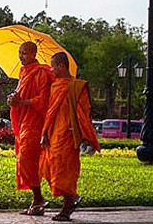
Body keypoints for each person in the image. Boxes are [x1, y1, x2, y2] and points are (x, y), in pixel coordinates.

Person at [40, 52, 100, 222]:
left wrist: (84, 135)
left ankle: (68, 204)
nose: (51, 70)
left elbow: (83, 112)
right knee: (48, 167)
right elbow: (50, 112)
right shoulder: (55, 86)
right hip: (53, 133)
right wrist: (45, 133)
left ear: (60, 66)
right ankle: (71, 199)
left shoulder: (76, 87)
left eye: (53, 66)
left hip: (68, 134)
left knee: (65, 170)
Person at [7, 41, 55, 216]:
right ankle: (37, 199)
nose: (21, 56)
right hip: (25, 121)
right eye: (20, 52)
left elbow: (44, 99)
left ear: (34, 54)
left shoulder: (41, 72)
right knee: (24, 160)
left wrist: (22, 102)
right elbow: (22, 95)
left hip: (37, 122)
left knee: (27, 158)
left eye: (25, 53)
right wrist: (13, 99)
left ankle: (41, 197)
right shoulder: (23, 73)